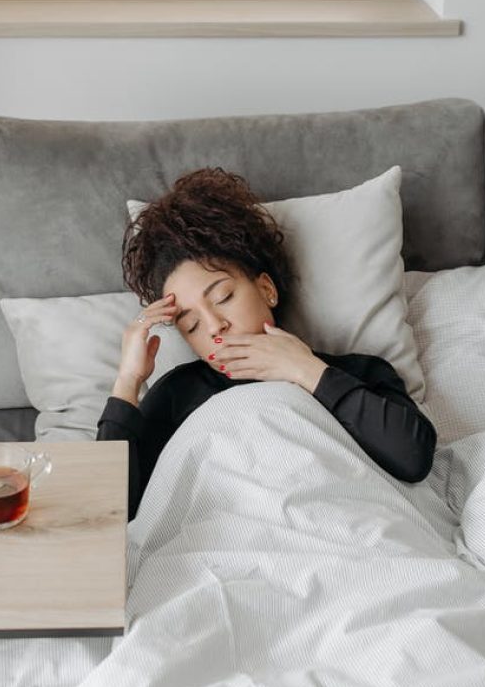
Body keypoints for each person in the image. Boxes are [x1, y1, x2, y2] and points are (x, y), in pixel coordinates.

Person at [97, 167, 437, 519]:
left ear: (266, 289)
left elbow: (412, 459)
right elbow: (110, 511)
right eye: (191, 323)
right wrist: (127, 382)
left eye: (224, 296)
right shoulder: (177, 394)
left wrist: (306, 371)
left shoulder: (355, 372)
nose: (215, 326)